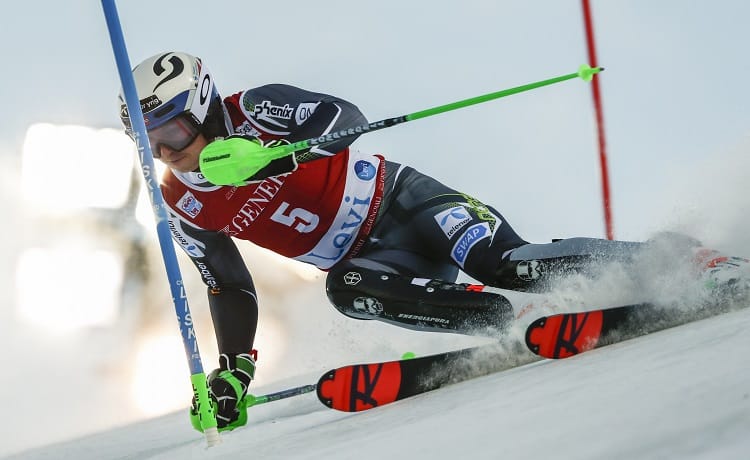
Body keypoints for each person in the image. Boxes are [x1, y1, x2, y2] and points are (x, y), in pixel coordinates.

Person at [119, 51, 748, 431]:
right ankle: (518, 322)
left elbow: (342, 117)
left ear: (200, 106)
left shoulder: (255, 107)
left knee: (501, 262)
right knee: (349, 290)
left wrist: (268, 157)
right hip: (370, 258)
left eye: (173, 131)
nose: (169, 154)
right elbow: (228, 283)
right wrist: (233, 374)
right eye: (151, 143)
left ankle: (688, 259)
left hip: (406, 203)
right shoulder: (182, 202)